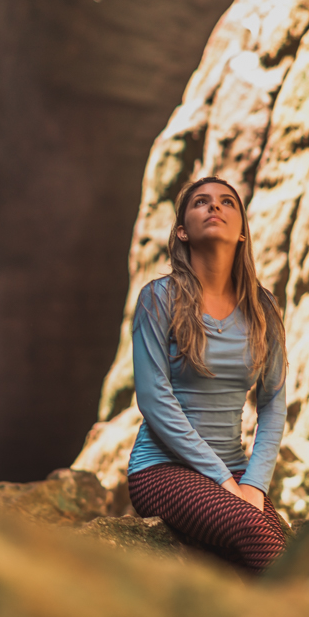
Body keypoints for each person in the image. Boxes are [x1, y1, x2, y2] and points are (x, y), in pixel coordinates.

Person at [126, 175, 289, 573]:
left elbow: (272, 403)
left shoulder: (263, 308)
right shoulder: (158, 298)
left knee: (282, 554)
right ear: (182, 231)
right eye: (201, 202)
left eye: (227, 202)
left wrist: (254, 483)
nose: (215, 207)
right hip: (161, 470)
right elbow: (153, 398)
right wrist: (222, 479)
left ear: (243, 234)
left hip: (236, 472)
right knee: (255, 533)